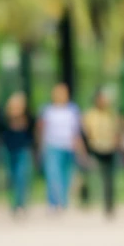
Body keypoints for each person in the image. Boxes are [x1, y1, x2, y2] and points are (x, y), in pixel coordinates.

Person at [36, 82, 82, 210]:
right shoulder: (47, 110)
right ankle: (53, 202)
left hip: (68, 147)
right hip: (52, 146)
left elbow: (76, 131)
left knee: (66, 175)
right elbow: (41, 130)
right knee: (53, 174)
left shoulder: (73, 110)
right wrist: (40, 146)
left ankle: (63, 201)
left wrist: (80, 148)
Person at [82, 88, 122, 215]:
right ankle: (86, 199)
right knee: (90, 176)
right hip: (95, 148)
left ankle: (109, 205)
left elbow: (116, 130)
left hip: (109, 149)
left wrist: (116, 142)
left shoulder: (110, 114)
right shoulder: (90, 115)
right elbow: (86, 133)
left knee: (109, 178)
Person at [0, 90, 36, 214]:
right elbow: (2, 135)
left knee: (22, 176)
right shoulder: (5, 118)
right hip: (9, 150)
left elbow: (32, 135)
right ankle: (13, 203)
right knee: (11, 178)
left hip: (23, 150)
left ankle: (21, 203)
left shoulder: (28, 118)